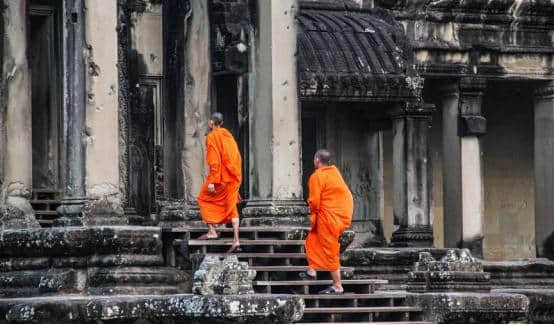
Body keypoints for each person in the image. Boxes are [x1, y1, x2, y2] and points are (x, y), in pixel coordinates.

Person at [299, 149, 354, 294]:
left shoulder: (317, 176)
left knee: (330, 250)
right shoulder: (334, 173)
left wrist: (311, 209)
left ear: (317, 160)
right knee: (312, 240)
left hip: (329, 217)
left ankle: (337, 285)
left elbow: (315, 201)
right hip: (339, 214)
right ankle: (312, 271)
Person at [197, 112, 242, 253]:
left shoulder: (212, 136)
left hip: (220, 179)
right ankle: (236, 240)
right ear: (221, 123)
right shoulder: (228, 135)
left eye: (209, 122)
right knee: (232, 206)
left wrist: (212, 182)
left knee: (203, 199)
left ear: (211, 122)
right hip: (233, 178)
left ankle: (212, 231)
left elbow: (214, 162)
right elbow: (236, 157)